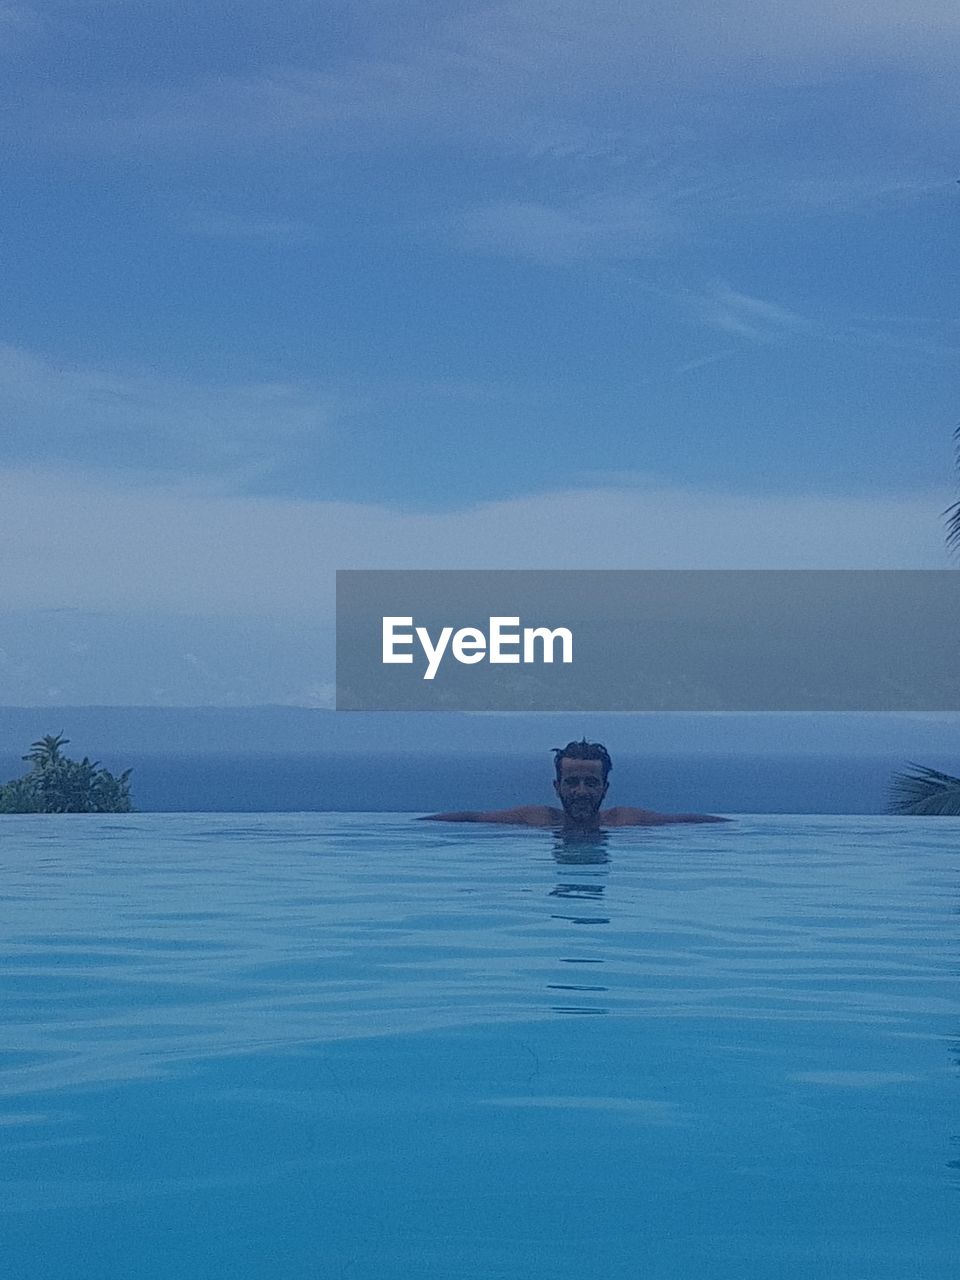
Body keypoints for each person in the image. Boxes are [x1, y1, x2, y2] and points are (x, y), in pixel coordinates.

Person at [419, 738, 729, 832]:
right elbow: (474, 817)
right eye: (573, 782)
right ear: (557, 787)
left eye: (591, 782)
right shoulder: (537, 819)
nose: (581, 791)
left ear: (605, 788)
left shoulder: (624, 820)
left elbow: (682, 820)